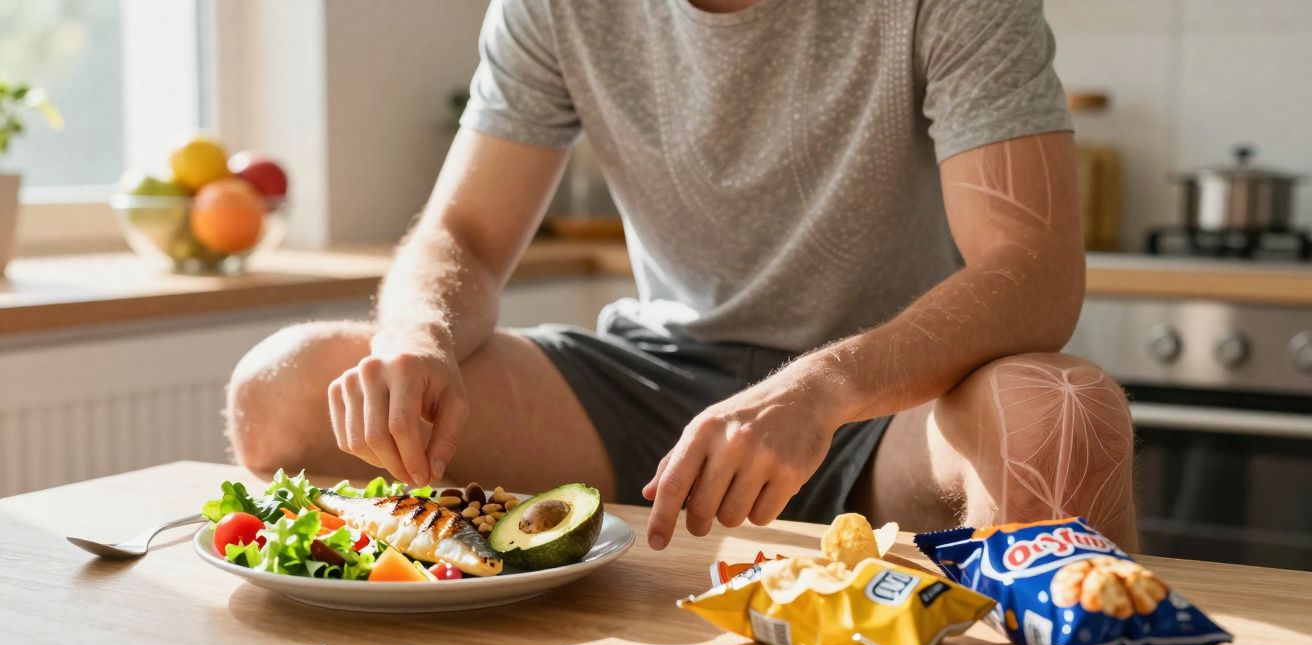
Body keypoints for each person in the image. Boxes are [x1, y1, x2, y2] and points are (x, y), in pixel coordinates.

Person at [227, 0, 1138, 552]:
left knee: (1060, 418)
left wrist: (819, 389)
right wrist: (415, 339)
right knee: (284, 389)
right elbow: (463, 230)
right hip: (650, 386)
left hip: (885, 408)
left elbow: (1034, 270)